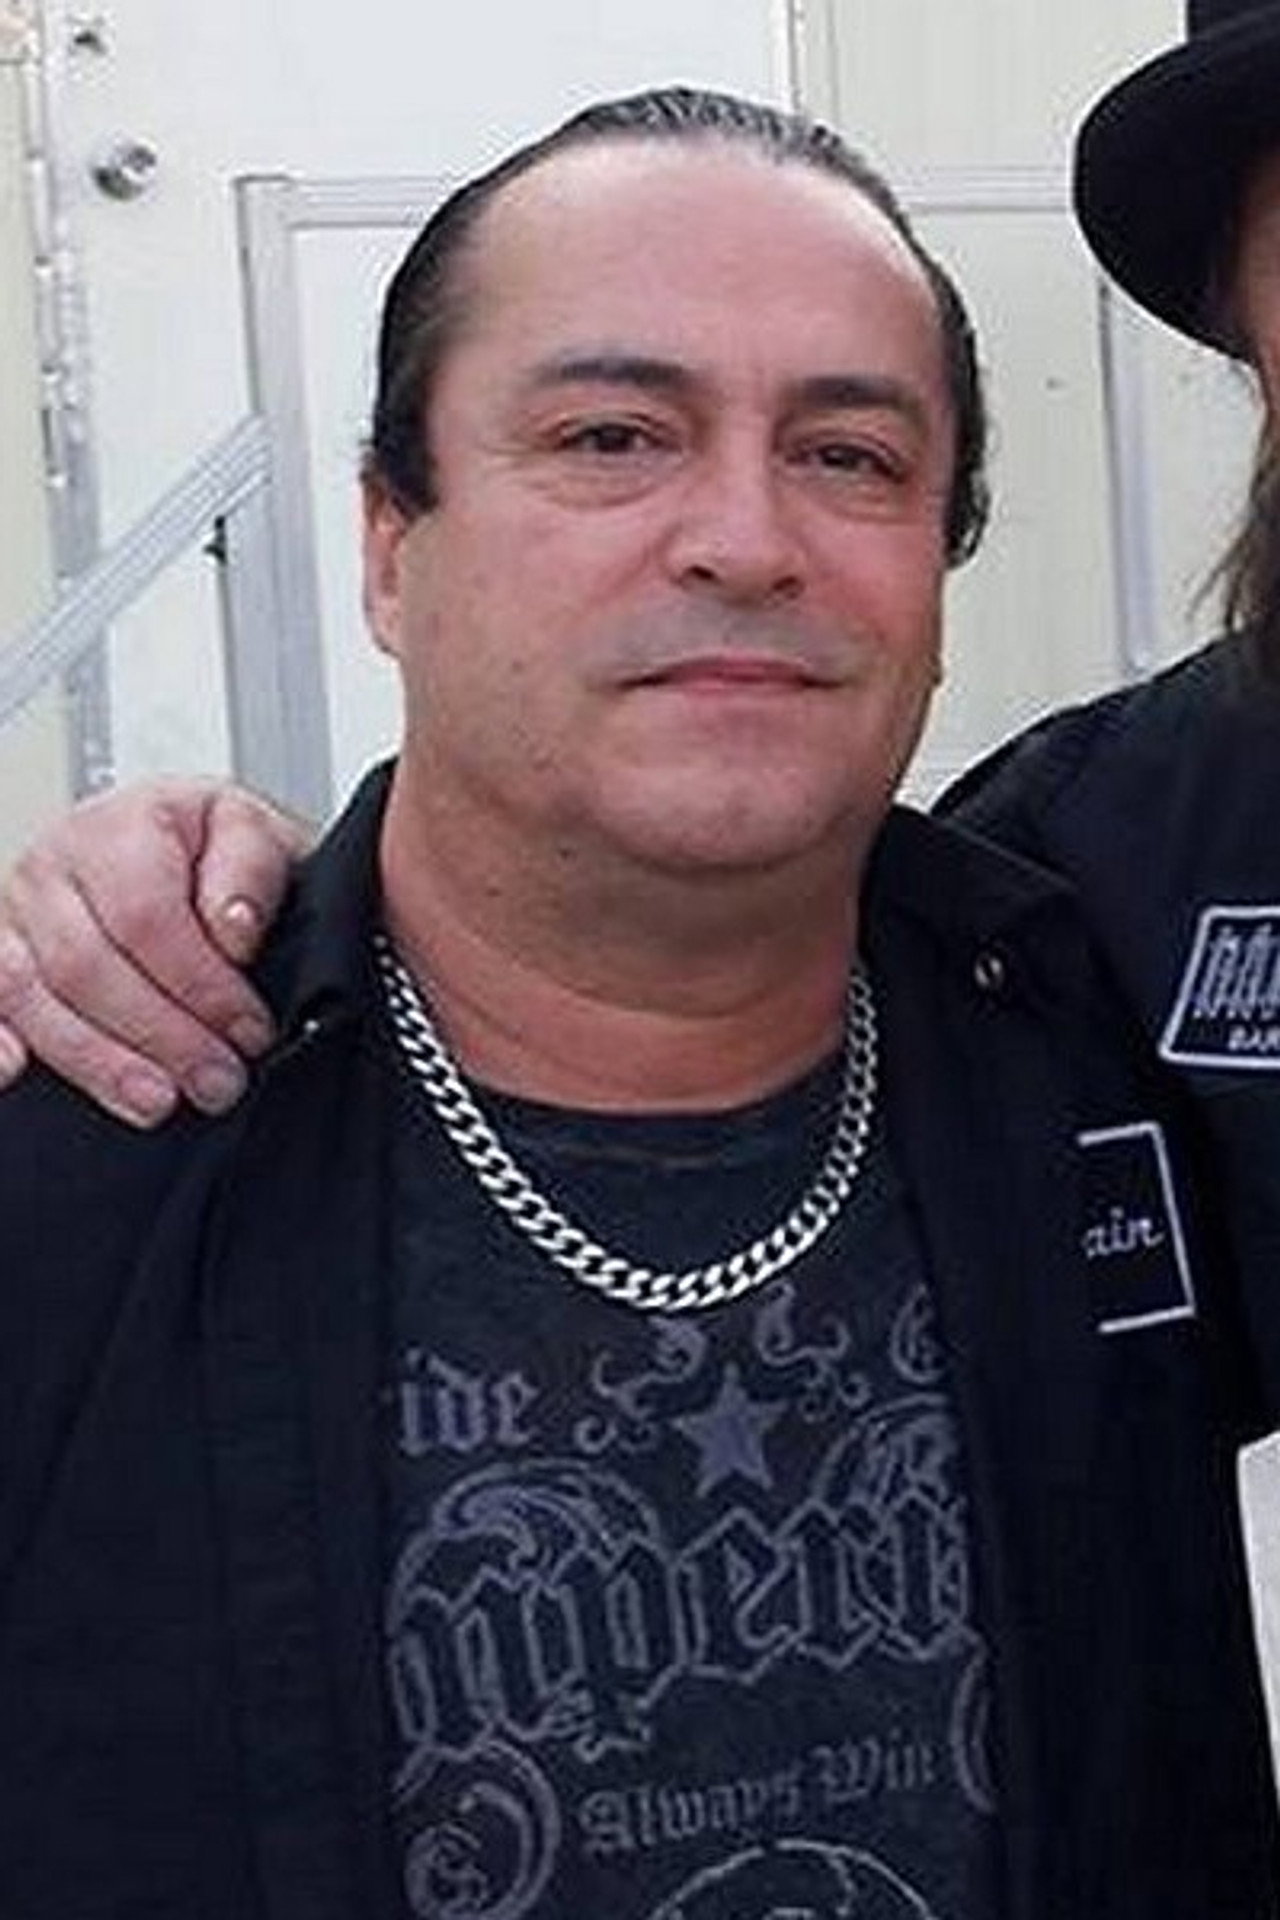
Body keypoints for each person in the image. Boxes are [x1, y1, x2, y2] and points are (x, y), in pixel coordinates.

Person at [0, 83, 1276, 1919]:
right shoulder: (91, 1150)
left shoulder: (1082, 1021)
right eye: (611, 437)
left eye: (851, 457)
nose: (744, 539)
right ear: (388, 543)